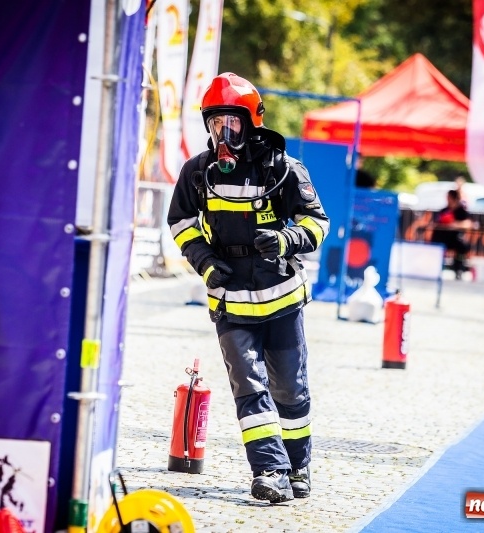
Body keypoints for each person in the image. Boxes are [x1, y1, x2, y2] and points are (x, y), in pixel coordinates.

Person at [167, 73, 330, 503]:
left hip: (281, 297)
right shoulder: (197, 173)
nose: (224, 134)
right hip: (230, 297)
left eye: (232, 124)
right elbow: (180, 223)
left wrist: (285, 240)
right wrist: (204, 262)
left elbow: (318, 222)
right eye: (216, 124)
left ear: (252, 123)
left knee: (290, 390)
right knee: (248, 386)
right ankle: (270, 471)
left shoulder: (284, 170)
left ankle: (298, 467)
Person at [429, 189, 472, 279]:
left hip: (455, 237)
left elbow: (468, 223)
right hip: (443, 237)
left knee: (462, 247)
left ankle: (458, 270)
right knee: (435, 244)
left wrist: (455, 224)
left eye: (449, 197)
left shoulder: (461, 211)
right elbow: (436, 222)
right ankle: (436, 269)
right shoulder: (444, 210)